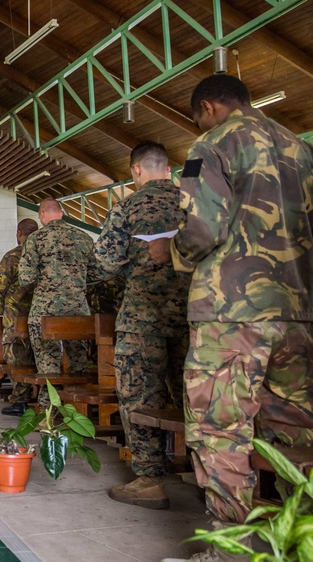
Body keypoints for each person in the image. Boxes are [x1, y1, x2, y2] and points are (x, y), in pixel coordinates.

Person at [150, 76, 313, 562]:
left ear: (208, 107)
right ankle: (303, 537)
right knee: (299, 430)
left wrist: (172, 252)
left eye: (198, 115)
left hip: (231, 313)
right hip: (299, 311)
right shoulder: (302, 149)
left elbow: (202, 226)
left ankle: (232, 549)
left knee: (220, 427)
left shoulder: (211, 143)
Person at [93, 141, 190, 510]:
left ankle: (150, 478)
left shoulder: (128, 206)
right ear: (168, 168)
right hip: (192, 315)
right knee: (192, 395)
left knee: (139, 395)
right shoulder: (191, 201)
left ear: (135, 170)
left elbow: (104, 264)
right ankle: (207, 476)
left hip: (142, 318)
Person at [18, 198, 97, 409]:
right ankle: (81, 410)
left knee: (47, 366)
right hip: (78, 311)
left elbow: (25, 278)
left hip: (45, 312)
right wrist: (76, 285)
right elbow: (98, 273)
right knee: (79, 363)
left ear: (42, 214)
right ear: (61, 213)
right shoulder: (84, 238)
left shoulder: (35, 239)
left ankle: (49, 414)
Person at [0, 218, 39, 417]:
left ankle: (20, 400)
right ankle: (44, 399)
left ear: (19, 232)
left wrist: (1, 309)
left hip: (16, 314)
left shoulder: (13, 256)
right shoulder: (43, 254)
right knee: (41, 355)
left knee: (16, 355)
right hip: (41, 314)